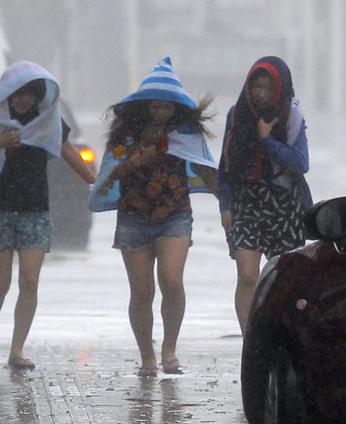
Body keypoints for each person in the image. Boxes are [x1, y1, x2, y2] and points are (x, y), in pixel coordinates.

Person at [91, 57, 218, 377]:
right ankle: (147, 355)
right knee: (142, 290)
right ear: (145, 105)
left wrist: (228, 202)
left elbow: (206, 168)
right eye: (155, 105)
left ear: (176, 107)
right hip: (133, 218)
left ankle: (169, 350)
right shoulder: (125, 136)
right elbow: (107, 177)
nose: (160, 111)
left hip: (174, 215)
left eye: (166, 106)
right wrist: (134, 163)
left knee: (172, 281)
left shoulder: (186, 134)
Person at [0, 61, 96, 371]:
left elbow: (71, 154)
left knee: (30, 280)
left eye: (30, 95)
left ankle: (17, 349)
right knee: (0, 284)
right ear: (8, 95)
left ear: (39, 97)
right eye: (18, 94)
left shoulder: (49, 122)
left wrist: (97, 180)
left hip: (35, 210)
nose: (23, 100)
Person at [218, 56, 312, 334]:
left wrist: (267, 140)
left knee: (285, 280)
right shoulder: (237, 116)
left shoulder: (292, 116)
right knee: (247, 276)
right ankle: (251, 345)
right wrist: (226, 205)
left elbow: (300, 163)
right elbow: (226, 166)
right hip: (247, 202)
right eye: (256, 86)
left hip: (285, 205)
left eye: (268, 88)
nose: (260, 93)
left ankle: (281, 338)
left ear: (280, 89)